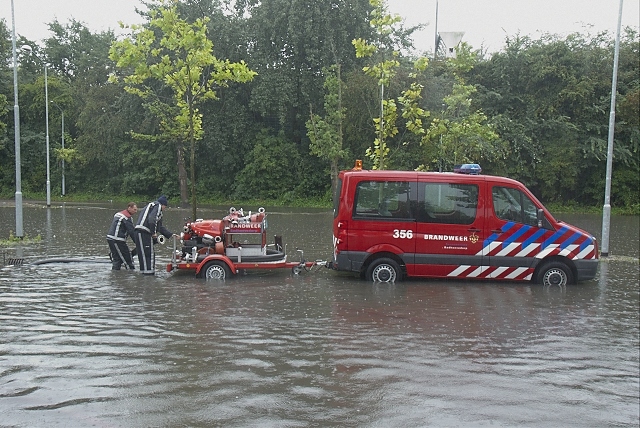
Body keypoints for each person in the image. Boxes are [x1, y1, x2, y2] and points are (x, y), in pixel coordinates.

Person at [134, 195, 174, 275]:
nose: (164, 209)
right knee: (149, 255)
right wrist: (153, 233)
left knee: (142, 255)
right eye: (165, 207)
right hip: (144, 232)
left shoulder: (150, 207)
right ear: (163, 204)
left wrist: (171, 235)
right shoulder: (157, 206)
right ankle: (149, 277)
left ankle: (143, 274)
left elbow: (160, 227)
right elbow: (152, 220)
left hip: (138, 232)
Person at [106, 202, 138, 270]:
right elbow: (131, 231)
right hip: (118, 240)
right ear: (129, 208)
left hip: (110, 238)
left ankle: (116, 276)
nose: (136, 211)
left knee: (117, 260)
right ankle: (130, 275)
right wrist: (138, 242)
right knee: (128, 260)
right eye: (134, 209)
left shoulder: (118, 214)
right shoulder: (127, 218)